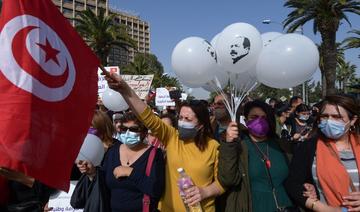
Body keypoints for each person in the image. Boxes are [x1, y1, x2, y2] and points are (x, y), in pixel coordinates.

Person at [105, 73, 224, 212]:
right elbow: (147, 116)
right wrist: (124, 89)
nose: (182, 122)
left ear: (201, 125)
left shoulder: (214, 147)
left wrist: (205, 192)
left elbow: (223, 182)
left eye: (188, 119)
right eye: (180, 117)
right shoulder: (172, 137)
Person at [74, 111, 165, 212]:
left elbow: (156, 190)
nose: (127, 133)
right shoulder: (112, 151)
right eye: (124, 129)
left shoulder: (154, 154)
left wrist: (130, 172)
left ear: (144, 132)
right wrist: (92, 173)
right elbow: (103, 187)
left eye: (133, 129)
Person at [285, 95, 360, 211]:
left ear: (353, 120)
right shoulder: (308, 147)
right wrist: (320, 206)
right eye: (325, 116)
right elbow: (293, 183)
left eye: (337, 117)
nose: (329, 121)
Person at [218, 100, 295, 212]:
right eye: (254, 117)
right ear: (245, 120)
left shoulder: (281, 145)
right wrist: (229, 143)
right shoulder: (239, 147)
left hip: (286, 206)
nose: (259, 121)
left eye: (264, 117)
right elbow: (228, 179)